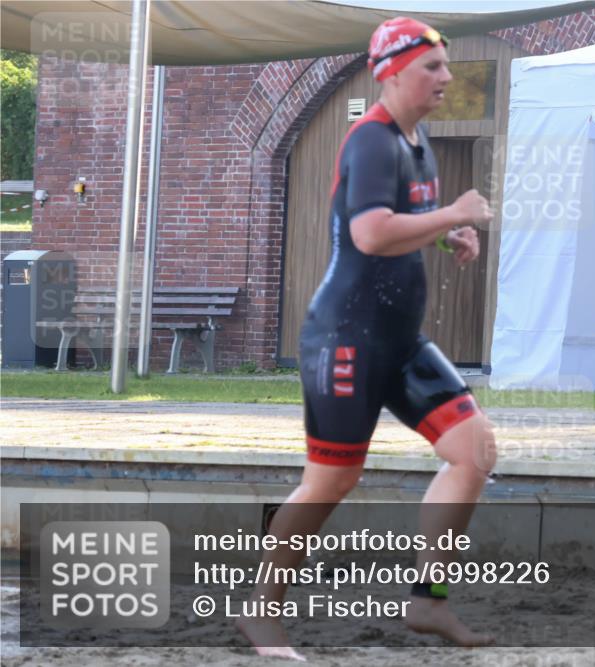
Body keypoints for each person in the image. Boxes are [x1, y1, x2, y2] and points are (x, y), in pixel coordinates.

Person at [237, 17, 497, 660]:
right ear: (393, 72)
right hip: (346, 340)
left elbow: (401, 220)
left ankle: (429, 600)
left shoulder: (416, 142)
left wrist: (445, 235)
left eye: (445, 64)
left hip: (399, 340)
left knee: (474, 452)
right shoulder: (372, 140)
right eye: (432, 66)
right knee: (330, 482)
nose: (445, 76)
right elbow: (371, 234)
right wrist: (459, 212)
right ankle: (261, 609)